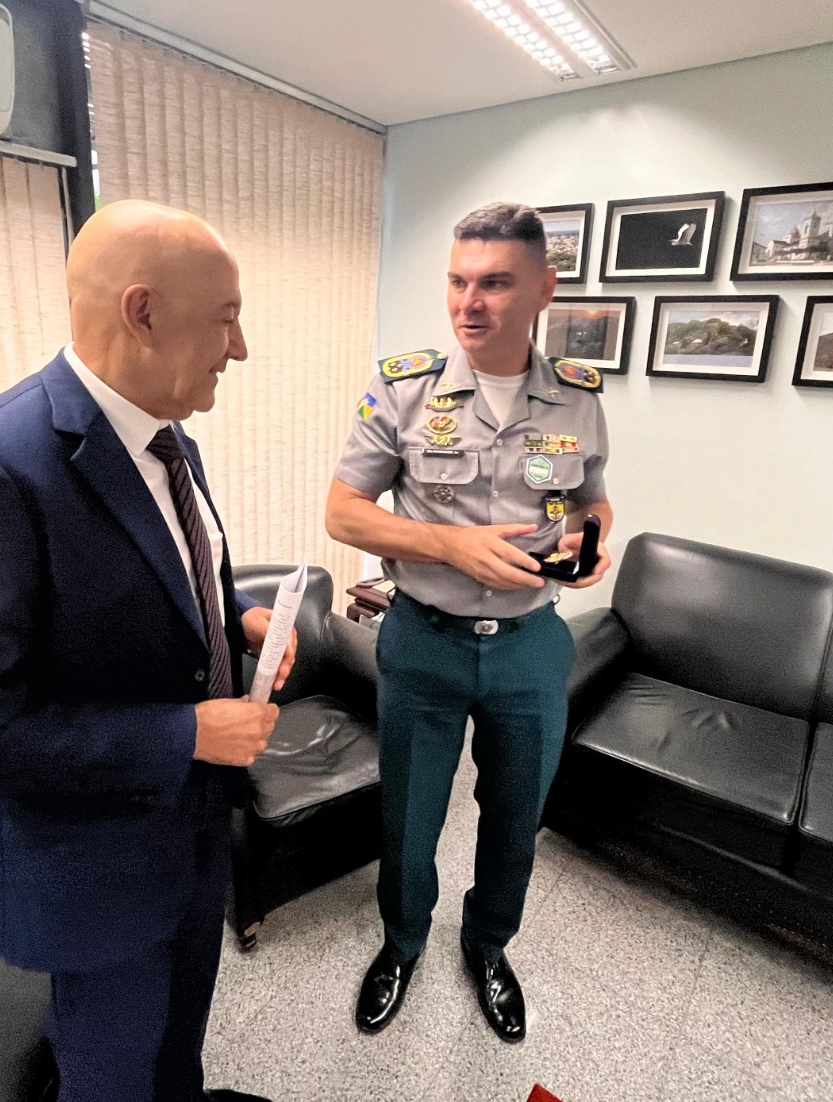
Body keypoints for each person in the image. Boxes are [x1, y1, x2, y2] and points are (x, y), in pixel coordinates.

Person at [0, 200, 291, 1102]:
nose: (240, 347)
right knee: (112, 1077)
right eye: (225, 318)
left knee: (179, 1051)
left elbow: (157, 579)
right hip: (94, 874)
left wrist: (240, 617)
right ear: (142, 313)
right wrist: (186, 734)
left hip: (195, 829)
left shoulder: (170, 438)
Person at [325, 202, 614, 1043]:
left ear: (543, 290)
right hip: (424, 640)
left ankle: (488, 947)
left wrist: (593, 536)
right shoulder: (404, 387)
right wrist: (450, 545)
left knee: (516, 818)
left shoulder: (578, 397)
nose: (469, 302)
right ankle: (402, 944)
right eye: (457, 281)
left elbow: (592, 496)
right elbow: (344, 512)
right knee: (410, 816)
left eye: (494, 283)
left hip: (530, 646)